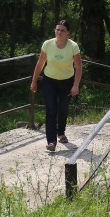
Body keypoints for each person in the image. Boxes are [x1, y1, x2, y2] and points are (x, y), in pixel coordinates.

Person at [31, 20, 82, 152]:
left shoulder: (73, 46)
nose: (59, 32)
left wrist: (76, 85)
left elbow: (78, 66)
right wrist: (34, 81)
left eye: (62, 30)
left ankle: (61, 133)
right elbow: (40, 63)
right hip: (49, 81)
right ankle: (51, 141)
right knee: (51, 109)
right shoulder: (47, 44)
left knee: (63, 109)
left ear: (68, 33)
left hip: (67, 81)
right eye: (57, 29)